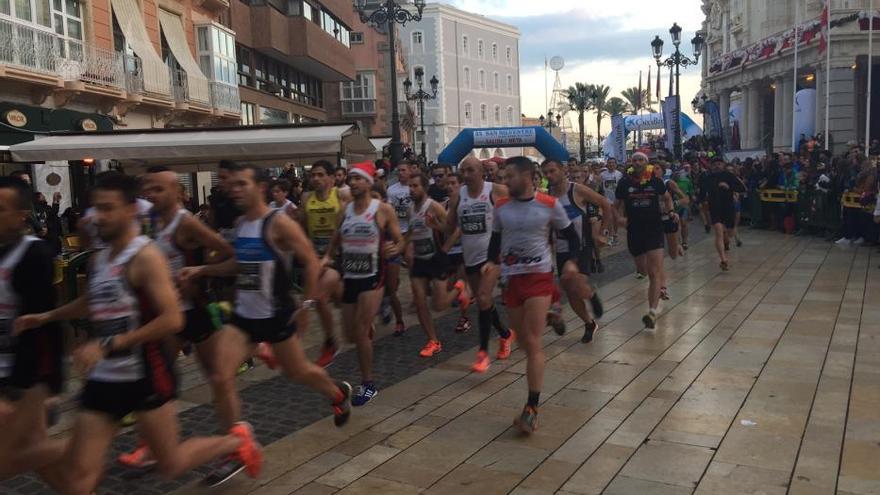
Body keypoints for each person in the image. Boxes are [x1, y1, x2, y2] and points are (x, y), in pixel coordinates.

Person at [14, 172, 262, 494]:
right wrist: (48, 316)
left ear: (131, 210)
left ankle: (236, 440)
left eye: (107, 209)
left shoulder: (145, 256)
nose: (97, 217)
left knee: (171, 463)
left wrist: (112, 343)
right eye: (95, 209)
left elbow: (172, 320)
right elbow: (92, 301)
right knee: (78, 482)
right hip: (105, 378)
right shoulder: (102, 257)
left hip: (145, 374)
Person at [178, 163, 352, 485]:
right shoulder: (242, 223)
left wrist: (308, 306)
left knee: (298, 371)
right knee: (219, 375)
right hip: (244, 317)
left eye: (242, 184)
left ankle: (338, 394)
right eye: (234, 184)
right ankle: (237, 448)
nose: (235, 189)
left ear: (260, 188)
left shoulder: (278, 223)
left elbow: (311, 262)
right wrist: (202, 271)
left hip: (275, 316)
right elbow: (238, 265)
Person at [116, 167, 238, 469]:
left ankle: (234, 442)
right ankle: (151, 446)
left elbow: (227, 252)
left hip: (196, 311)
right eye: (148, 189)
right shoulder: (148, 223)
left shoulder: (186, 223)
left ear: (178, 192)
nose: (150, 194)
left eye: (158, 189)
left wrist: (200, 272)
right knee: (157, 383)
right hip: (165, 317)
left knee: (219, 379)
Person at [486, 157, 582, 433]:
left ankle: (531, 408)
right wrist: (490, 264)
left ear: (528, 176)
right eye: (503, 177)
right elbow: (494, 243)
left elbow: (571, 238)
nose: (505, 182)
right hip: (511, 280)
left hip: (539, 276)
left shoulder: (549, 205)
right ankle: (553, 312)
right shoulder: (501, 207)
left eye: (510, 177)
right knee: (524, 344)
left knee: (531, 339)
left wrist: (571, 263)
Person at [0, 177, 65, 480]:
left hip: (20, 376)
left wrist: (42, 384)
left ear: (21, 214)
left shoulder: (33, 254)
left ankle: (86, 443)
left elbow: (44, 323)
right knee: (36, 449)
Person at [323, 162, 402, 406]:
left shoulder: (383, 209)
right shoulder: (344, 211)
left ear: (368, 182)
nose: (353, 183)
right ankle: (366, 332)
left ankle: (368, 384)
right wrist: (325, 259)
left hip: (373, 277)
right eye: (351, 179)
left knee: (360, 329)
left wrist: (395, 247)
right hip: (350, 277)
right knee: (350, 335)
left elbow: (400, 240)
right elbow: (335, 242)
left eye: (358, 179)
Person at [445, 157, 514, 373]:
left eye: (470, 170)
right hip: (471, 257)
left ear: (481, 172)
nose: (466, 175)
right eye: (463, 170)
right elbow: (449, 227)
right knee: (484, 304)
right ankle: (505, 334)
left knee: (483, 298)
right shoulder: (459, 196)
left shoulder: (496, 190)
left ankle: (483, 352)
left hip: (493, 255)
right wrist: (436, 224)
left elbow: (523, 203)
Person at [541, 159, 609, 343]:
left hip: (582, 244)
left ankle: (591, 295)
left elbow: (605, 203)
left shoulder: (576, 190)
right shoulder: (548, 197)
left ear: (563, 170)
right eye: (545, 173)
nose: (549, 176)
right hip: (563, 249)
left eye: (552, 171)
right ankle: (589, 322)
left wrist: (604, 232)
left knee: (571, 278)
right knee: (570, 291)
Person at [403, 173, 470, 358]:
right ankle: (433, 340)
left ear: (424, 188)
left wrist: (438, 232)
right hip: (419, 259)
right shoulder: (410, 208)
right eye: (410, 186)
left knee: (439, 305)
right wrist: (400, 247)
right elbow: (410, 233)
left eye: (415, 186)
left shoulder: (433, 206)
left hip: (435, 258)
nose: (412, 189)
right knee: (419, 301)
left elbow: (451, 228)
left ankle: (459, 288)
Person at [295, 160, 351, 367]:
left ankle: (332, 342)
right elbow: (301, 228)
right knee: (337, 299)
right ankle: (335, 338)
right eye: (313, 175)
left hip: (337, 256)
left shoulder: (341, 195)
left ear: (330, 177)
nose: (316, 179)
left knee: (319, 297)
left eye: (320, 175)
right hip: (314, 258)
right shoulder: (306, 198)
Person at [614, 152, 674, 329]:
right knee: (643, 269)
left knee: (654, 271)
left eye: (641, 160)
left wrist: (670, 212)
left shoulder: (655, 181)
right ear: (631, 164)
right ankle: (654, 289)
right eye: (635, 160)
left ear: (646, 163)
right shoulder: (624, 183)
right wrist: (618, 219)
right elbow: (614, 206)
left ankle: (652, 312)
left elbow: (667, 198)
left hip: (654, 229)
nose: (638, 163)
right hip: (634, 230)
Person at [699, 156, 745, 270]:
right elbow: (702, 194)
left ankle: (727, 237)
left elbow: (742, 188)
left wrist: (729, 187)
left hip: (728, 208)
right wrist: (701, 202)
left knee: (730, 233)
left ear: (723, 165)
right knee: (718, 232)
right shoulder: (707, 178)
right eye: (714, 164)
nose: (717, 166)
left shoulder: (729, 176)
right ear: (710, 166)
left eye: (719, 163)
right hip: (715, 208)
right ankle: (723, 260)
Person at [384, 161, 414, 335]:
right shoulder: (392, 190)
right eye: (399, 170)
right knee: (391, 285)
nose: (401, 173)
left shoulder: (414, 187)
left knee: (410, 261)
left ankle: (415, 292)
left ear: (410, 171)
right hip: (396, 232)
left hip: (410, 233)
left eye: (404, 170)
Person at [599, 158, 624, 245]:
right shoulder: (602, 175)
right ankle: (611, 235)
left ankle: (615, 234)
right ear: (607, 164)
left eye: (613, 163)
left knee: (615, 218)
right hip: (607, 199)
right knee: (609, 218)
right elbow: (601, 186)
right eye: (609, 163)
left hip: (616, 199)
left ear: (616, 164)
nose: (611, 165)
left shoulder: (619, 174)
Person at [674, 164, 694, 250]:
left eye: (679, 172)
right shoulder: (669, 182)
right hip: (674, 205)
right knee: (676, 224)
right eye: (675, 173)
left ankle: (684, 241)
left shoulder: (686, 181)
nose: (677, 174)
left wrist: (691, 199)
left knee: (683, 223)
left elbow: (690, 192)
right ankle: (678, 242)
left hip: (684, 205)